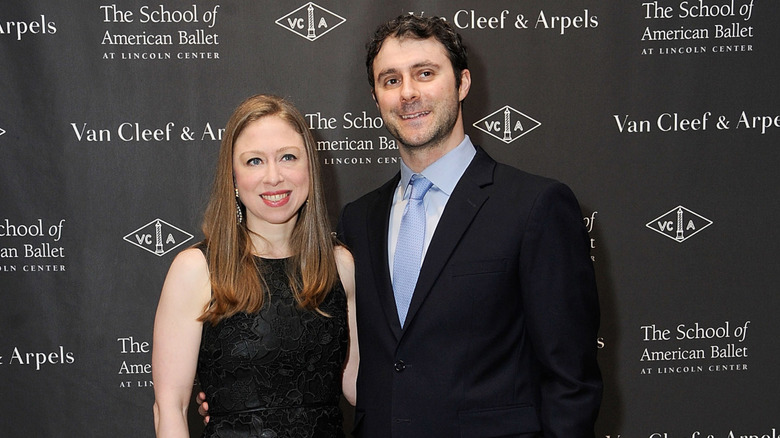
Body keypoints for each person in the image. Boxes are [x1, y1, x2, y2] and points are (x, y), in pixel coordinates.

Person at [203, 14, 602, 437]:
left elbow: (571, 382)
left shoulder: (534, 206)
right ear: (376, 99)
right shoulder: (359, 220)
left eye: (425, 73)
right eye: (390, 80)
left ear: (463, 83)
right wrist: (237, 391)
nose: (408, 93)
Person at [152, 94, 359, 438]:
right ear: (232, 177)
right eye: (254, 162)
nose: (274, 177)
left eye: (288, 157)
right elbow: (169, 407)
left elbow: (357, 386)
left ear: (309, 166)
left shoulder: (340, 265)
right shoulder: (197, 269)